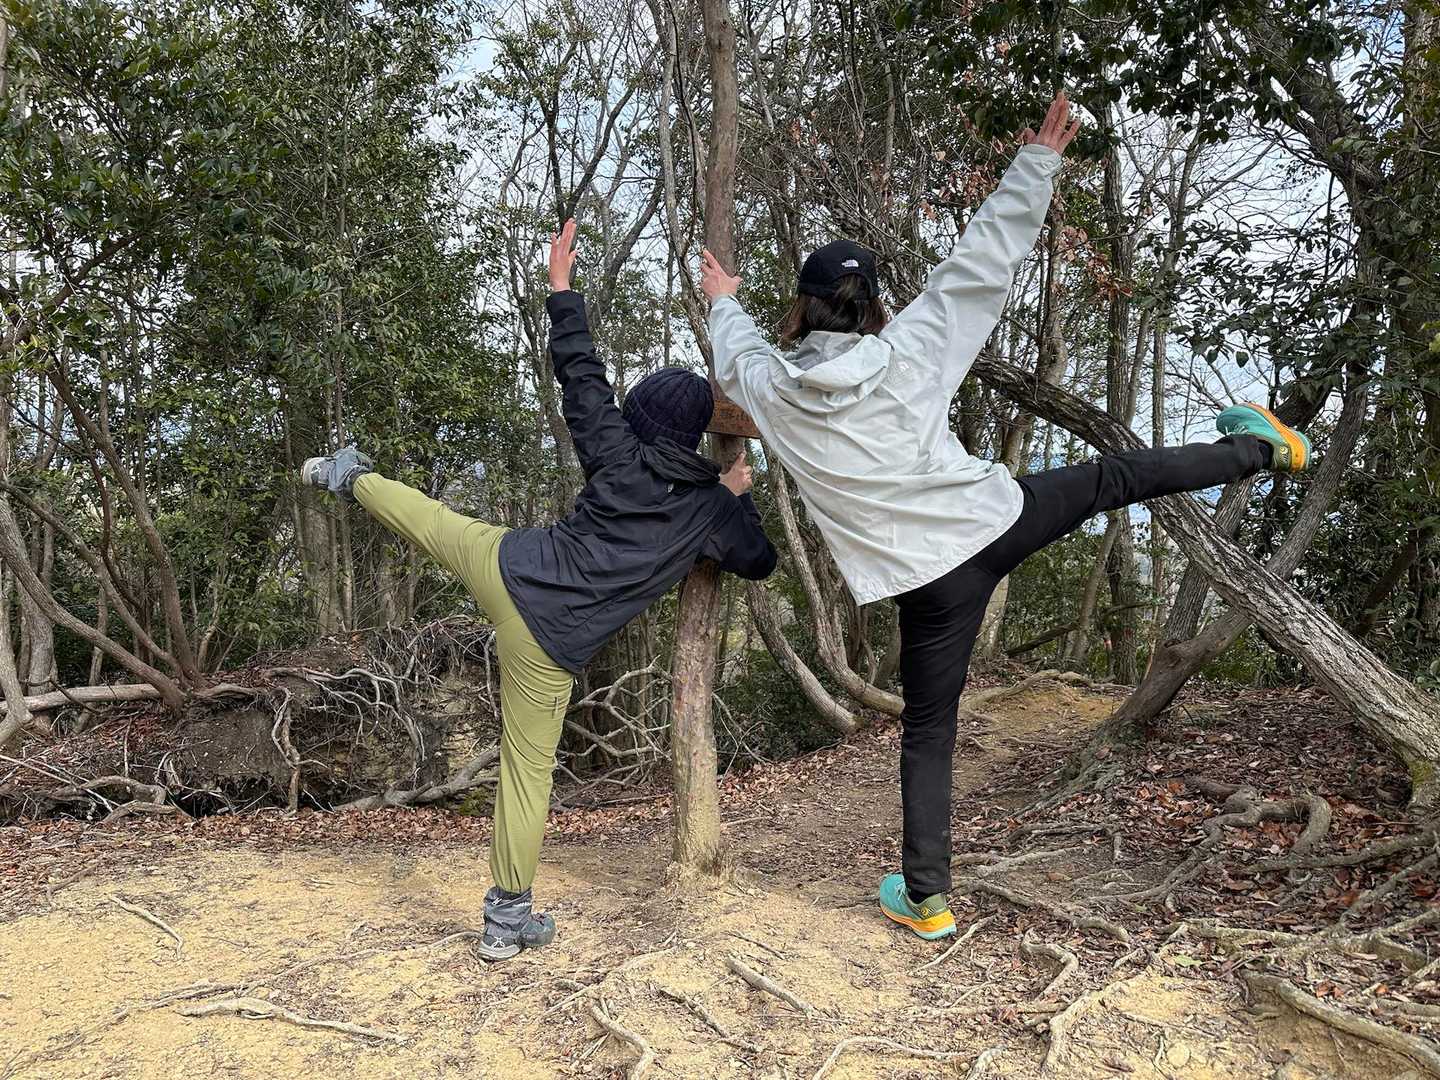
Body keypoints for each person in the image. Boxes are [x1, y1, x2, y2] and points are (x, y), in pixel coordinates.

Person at [702, 92, 1311, 941]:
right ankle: (1263, 449)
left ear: (801, 309)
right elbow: (980, 265)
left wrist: (723, 297)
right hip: (993, 521)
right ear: (873, 307)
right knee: (1116, 479)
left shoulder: (772, 387)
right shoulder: (908, 348)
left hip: (925, 583)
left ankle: (927, 899)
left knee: (928, 729)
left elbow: (735, 351)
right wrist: (1036, 164)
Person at [302, 220, 777, 960]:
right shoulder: (708, 511)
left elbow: (581, 375)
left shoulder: (615, 449)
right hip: (550, 646)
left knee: (433, 522)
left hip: (509, 566)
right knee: (525, 774)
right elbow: (760, 561)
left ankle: (348, 476)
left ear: (640, 416)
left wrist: (562, 288)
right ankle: (506, 921)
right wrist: (735, 495)